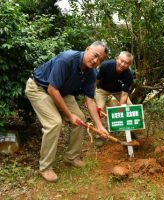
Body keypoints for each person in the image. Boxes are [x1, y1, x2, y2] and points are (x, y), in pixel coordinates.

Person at [25, 41, 109, 182]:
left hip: (61, 91)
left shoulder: (91, 73)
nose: (96, 61)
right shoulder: (67, 59)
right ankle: (45, 167)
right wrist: (70, 115)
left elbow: (90, 100)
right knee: (54, 123)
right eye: (95, 55)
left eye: (100, 60)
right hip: (39, 88)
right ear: (87, 49)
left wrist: (100, 126)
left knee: (80, 119)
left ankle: (71, 157)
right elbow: (52, 89)